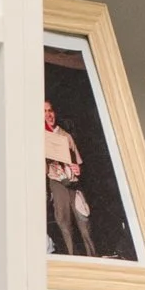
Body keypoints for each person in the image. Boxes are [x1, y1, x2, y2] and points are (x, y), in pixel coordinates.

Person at [44, 100, 94, 256]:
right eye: (44, 112)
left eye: (50, 110)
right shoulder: (39, 136)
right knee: (64, 222)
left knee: (83, 220)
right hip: (56, 182)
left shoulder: (66, 135)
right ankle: (72, 257)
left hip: (73, 183)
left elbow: (78, 162)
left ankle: (93, 256)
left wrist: (78, 169)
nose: (48, 115)